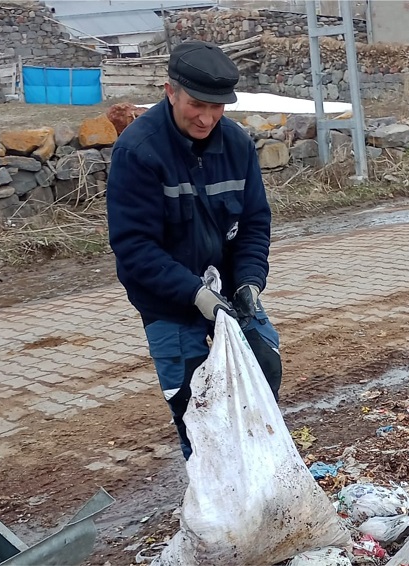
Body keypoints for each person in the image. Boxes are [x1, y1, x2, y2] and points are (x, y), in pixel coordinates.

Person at [106, 40, 282, 460]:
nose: (207, 118)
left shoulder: (236, 145)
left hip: (231, 295)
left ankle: (264, 484)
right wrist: (197, 295)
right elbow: (134, 248)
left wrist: (250, 284)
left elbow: (255, 221)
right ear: (170, 92)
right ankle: (218, 506)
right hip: (170, 305)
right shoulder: (138, 152)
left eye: (217, 107)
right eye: (196, 105)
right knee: (197, 415)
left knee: (262, 373)